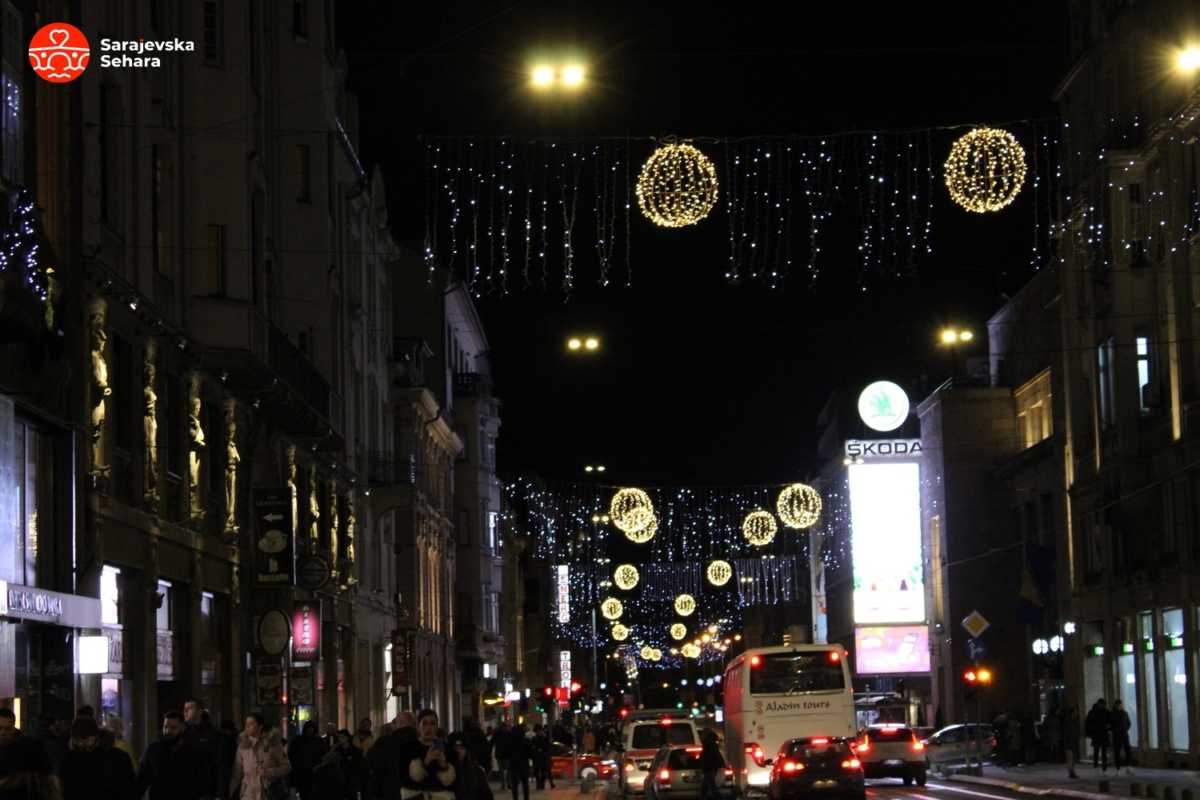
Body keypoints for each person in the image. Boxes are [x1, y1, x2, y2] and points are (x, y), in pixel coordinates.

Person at [135, 711, 208, 800]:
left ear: (182, 728)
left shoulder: (193, 752)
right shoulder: (153, 750)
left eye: (173, 728)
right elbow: (141, 781)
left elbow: (202, 781)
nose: (168, 731)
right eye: (165, 727)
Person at [58, 716, 135, 800]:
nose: (82, 743)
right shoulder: (120, 756)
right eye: (78, 740)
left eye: (85, 739)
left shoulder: (69, 759)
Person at [229, 712, 291, 800]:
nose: (247, 726)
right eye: (246, 723)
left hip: (268, 793)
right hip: (248, 794)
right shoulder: (243, 746)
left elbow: (287, 767)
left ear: (260, 726)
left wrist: (269, 772)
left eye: (251, 724)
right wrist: (231, 792)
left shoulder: (273, 744)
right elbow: (237, 772)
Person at [401, 709, 456, 800]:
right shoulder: (409, 748)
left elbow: (454, 782)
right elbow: (405, 780)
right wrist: (425, 762)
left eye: (432, 723)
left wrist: (444, 766)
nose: (428, 728)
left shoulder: (447, 748)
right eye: (425, 723)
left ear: (437, 727)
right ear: (418, 726)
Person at [367, 711, 418, 800]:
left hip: (390, 792)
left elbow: (374, 767)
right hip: (416, 793)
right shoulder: (421, 742)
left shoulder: (384, 743)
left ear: (396, 725)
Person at [183, 700, 220, 800]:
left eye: (189, 708)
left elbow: (219, 764)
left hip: (206, 789)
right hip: (187, 788)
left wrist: (219, 793)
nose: (185, 711)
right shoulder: (183, 733)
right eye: (185, 708)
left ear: (199, 711)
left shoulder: (212, 733)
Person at [286, 721, 328, 800]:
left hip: (314, 771)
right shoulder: (298, 740)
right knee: (304, 793)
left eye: (312, 728)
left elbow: (323, 755)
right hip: (302, 772)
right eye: (309, 728)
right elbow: (291, 754)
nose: (310, 730)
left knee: (312, 793)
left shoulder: (318, 741)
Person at [449, 732, 493, 800]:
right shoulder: (446, 770)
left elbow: (486, 795)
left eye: (461, 748)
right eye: (455, 748)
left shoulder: (476, 771)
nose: (458, 751)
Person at [1085, 699, 1110, 772]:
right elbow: (1088, 723)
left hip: (1102, 734)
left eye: (1102, 704)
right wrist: (1090, 733)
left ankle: (1103, 767)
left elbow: (1110, 722)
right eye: (1101, 704)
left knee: (1103, 752)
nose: (1102, 706)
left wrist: (1108, 727)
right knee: (1097, 751)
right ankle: (1096, 766)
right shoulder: (1093, 712)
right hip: (1097, 734)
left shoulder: (1106, 712)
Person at [506, 724, 530, 800]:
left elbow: (507, 752)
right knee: (525, 783)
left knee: (515, 784)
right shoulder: (525, 740)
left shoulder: (510, 740)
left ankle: (515, 798)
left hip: (514, 764)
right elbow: (529, 752)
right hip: (523, 764)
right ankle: (526, 798)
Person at [699, 728, 723, 800]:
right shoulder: (711, 743)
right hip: (711, 767)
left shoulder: (709, 744)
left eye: (703, 734)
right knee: (705, 786)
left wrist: (705, 765)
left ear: (706, 735)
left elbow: (708, 757)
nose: (701, 736)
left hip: (709, 768)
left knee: (711, 786)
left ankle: (719, 797)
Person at [1111, 700, 1133, 775]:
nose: (1120, 706)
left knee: (1128, 750)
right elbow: (1110, 725)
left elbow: (1129, 723)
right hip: (1116, 736)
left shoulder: (1125, 713)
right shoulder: (1112, 714)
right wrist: (1115, 730)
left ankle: (1129, 767)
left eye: (1121, 705)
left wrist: (1125, 729)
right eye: (1118, 705)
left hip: (1124, 735)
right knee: (1117, 752)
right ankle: (1118, 769)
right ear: (1116, 705)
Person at [1061, 706, 1081, 779]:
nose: (1077, 713)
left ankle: (1072, 771)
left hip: (1073, 742)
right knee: (1070, 758)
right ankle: (1071, 772)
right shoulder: (1068, 721)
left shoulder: (1074, 721)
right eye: (1075, 712)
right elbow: (1066, 733)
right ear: (1072, 713)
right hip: (1069, 742)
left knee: (1072, 759)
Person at [492, 722, 512, 789]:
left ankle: (503, 784)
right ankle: (508, 783)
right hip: (507, 754)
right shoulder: (509, 733)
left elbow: (492, 742)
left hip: (499, 754)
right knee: (508, 769)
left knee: (501, 770)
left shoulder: (496, 733)